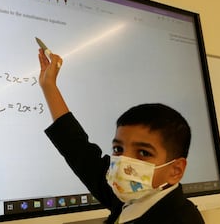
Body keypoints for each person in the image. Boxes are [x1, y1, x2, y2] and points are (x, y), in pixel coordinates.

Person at [37, 48, 205, 224]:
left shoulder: (181, 219)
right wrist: (49, 86)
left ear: (175, 170)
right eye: (118, 149)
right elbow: (79, 150)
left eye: (143, 153)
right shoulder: (133, 198)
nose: (124, 162)